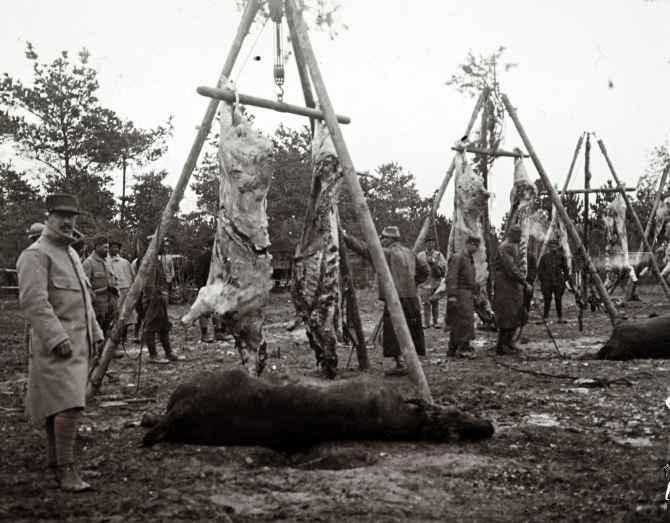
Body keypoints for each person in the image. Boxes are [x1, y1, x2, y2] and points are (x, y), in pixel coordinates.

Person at [17, 193, 104, 492]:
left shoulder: (70, 255)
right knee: (69, 406)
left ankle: (55, 462)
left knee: (61, 405)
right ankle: (67, 469)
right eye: (61, 216)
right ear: (49, 217)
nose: (68, 222)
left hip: (80, 345)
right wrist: (57, 338)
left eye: (72, 216)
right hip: (55, 347)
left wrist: (96, 332)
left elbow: (84, 300)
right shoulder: (35, 255)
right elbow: (34, 302)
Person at [343, 226, 429, 374]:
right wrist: (414, 282)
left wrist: (345, 237)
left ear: (390, 239)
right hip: (412, 297)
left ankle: (400, 364)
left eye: (383, 238)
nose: (381, 240)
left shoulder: (385, 253)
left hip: (395, 298)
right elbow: (425, 270)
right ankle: (412, 363)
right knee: (412, 328)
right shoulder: (410, 253)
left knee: (394, 330)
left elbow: (363, 249)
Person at [493, 224, 532, 355]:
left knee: (515, 314)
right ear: (513, 234)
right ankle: (502, 345)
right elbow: (510, 268)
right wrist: (524, 282)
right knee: (507, 315)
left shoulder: (512, 247)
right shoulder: (505, 247)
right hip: (505, 286)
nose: (520, 238)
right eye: (518, 235)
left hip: (512, 286)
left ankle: (509, 343)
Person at [141, 234, 178, 362]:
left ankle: (169, 353)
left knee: (164, 326)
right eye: (162, 243)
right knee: (151, 327)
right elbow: (147, 283)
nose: (164, 246)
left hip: (159, 298)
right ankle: (153, 355)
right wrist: (155, 297)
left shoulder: (156, 260)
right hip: (152, 299)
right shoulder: (147, 260)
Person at [445, 235, 480, 357]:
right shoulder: (458, 257)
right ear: (468, 244)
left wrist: (475, 292)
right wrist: (452, 295)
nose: (476, 248)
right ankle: (462, 347)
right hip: (460, 293)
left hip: (467, 293)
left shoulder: (469, 259)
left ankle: (454, 348)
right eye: (474, 245)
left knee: (462, 321)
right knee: (462, 321)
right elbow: (451, 277)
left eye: (477, 246)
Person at [82, 236, 118, 340]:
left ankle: (107, 351)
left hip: (110, 302)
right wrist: (104, 290)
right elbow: (85, 288)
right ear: (97, 247)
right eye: (105, 248)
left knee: (109, 328)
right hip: (97, 305)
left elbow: (113, 280)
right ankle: (98, 354)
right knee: (97, 331)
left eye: (107, 247)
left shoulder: (107, 262)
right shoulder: (88, 263)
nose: (107, 250)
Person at [108, 240, 136, 343]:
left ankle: (124, 336)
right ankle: (114, 337)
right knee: (114, 314)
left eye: (117, 247)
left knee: (126, 314)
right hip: (114, 291)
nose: (115, 249)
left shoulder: (125, 262)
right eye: (112, 247)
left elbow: (132, 276)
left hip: (125, 289)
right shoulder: (106, 262)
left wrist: (131, 290)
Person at [538, 239, 571, 323]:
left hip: (558, 282)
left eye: (555, 245)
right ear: (549, 247)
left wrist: (565, 280)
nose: (553, 247)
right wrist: (543, 280)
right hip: (547, 282)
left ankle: (560, 318)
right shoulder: (544, 257)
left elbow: (566, 269)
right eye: (551, 245)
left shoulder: (561, 257)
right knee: (547, 300)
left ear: (557, 246)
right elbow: (540, 270)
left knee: (558, 299)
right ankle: (545, 318)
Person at [417, 236, 446, 329]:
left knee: (435, 303)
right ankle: (426, 323)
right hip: (424, 283)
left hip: (435, 282)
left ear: (434, 243)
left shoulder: (439, 255)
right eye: (428, 242)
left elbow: (443, 267)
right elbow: (416, 267)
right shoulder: (420, 255)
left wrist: (435, 263)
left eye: (432, 242)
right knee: (425, 304)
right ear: (425, 244)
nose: (430, 244)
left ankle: (436, 322)